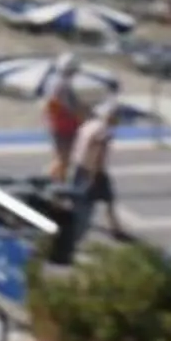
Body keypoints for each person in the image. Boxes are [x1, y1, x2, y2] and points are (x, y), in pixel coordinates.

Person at [65, 102, 131, 242]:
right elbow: (98, 154)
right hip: (93, 170)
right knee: (106, 200)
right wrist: (95, 174)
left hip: (79, 165)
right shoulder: (104, 132)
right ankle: (116, 230)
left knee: (78, 199)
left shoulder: (89, 125)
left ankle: (115, 227)